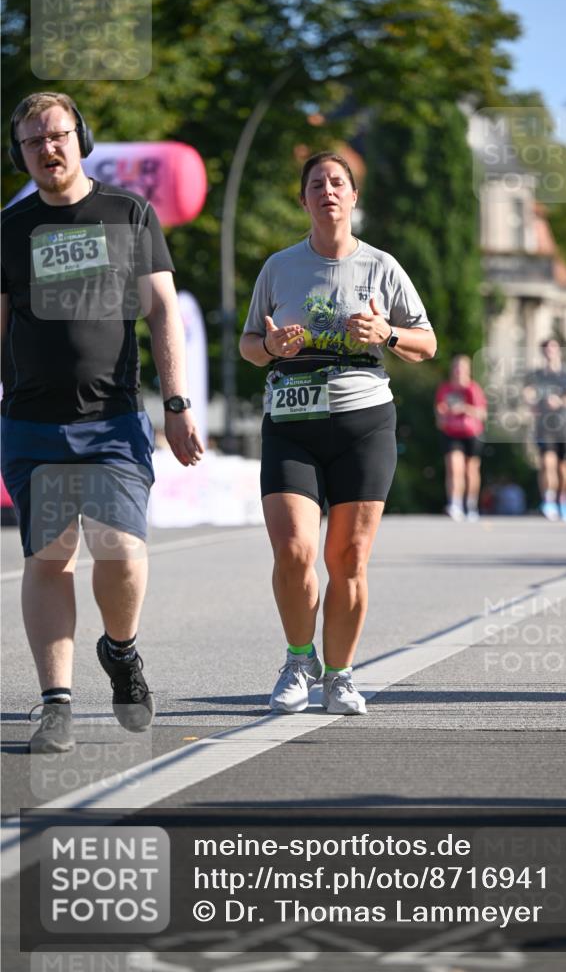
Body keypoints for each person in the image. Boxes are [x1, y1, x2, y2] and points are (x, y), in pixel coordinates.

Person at [1, 92, 204, 753]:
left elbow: (163, 312)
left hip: (113, 419)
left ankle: (120, 652)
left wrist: (175, 404)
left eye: (57, 136)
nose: (47, 149)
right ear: (20, 153)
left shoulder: (128, 212)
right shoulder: (10, 228)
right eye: (33, 142)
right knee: (50, 558)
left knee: (121, 552)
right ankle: (54, 702)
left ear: (80, 138)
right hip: (33, 422)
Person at [239, 151, 436, 716]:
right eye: (317, 183)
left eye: (338, 182)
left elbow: (428, 344)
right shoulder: (279, 267)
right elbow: (250, 343)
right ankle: (299, 661)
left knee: (347, 556)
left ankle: (341, 675)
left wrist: (388, 332)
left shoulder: (382, 266)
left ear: (353, 198)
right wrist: (272, 347)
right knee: (296, 549)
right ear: (304, 200)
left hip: (363, 421)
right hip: (291, 424)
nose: (327, 190)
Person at [524, 338, 566, 522]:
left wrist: (560, 401)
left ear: (559, 351)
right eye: (546, 349)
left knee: (563, 467)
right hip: (544, 427)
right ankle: (548, 501)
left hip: (564, 426)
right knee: (546, 463)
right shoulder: (536, 375)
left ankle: (563, 500)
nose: (550, 352)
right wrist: (532, 400)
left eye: (553, 348)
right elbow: (528, 393)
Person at [434, 355, 486, 521]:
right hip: (451, 433)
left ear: (468, 370)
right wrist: (442, 415)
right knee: (454, 468)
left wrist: (463, 408)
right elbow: (439, 413)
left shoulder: (473, 389)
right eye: (456, 367)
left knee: (471, 470)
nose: (458, 371)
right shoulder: (445, 389)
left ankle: (471, 505)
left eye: (462, 368)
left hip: (471, 433)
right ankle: (454, 504)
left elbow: (482, 414)